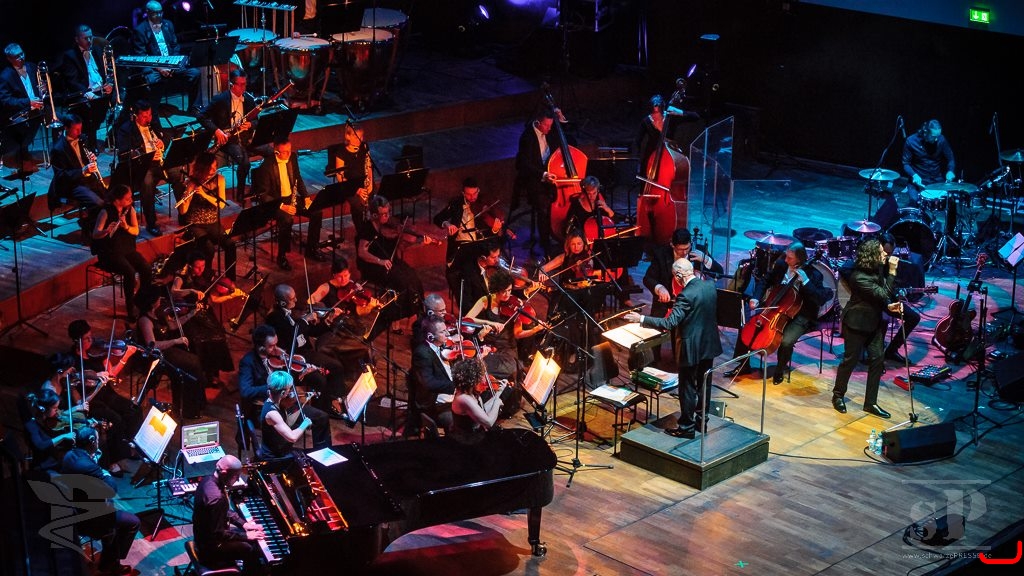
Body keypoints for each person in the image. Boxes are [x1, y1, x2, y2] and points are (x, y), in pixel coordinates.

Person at [625, 258, 723, 439]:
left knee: (687, 388)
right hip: (708, 344)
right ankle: (702, 422)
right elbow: (698, 310)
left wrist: (641, 319)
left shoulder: (685, 295)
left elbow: (670, 322)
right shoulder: (709, 286)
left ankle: (686, 427)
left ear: (678, 276)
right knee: (704, 385)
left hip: (690, 347)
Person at [723, 242, 833, 384]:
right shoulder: (781, 265)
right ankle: (743, 366)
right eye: (786, 256)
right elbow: (765, 280)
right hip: (774, 307)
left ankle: (779, 370)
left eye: (790, 258)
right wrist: (756, 297)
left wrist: (806, 282)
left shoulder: (813, 275)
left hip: (800, 315)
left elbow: (820, 298)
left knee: (786, 341)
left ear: (800, 259)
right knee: (747, 327)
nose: (786, 260)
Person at [830, 238, 902, 418]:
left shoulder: (877, 268)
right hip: (856, 323)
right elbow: (883, 292)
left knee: (877, 360)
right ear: (872, 255)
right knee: (850, 361)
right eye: (881, 252)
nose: (885, 254)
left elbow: (880, 295)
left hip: (873, 322)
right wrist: (892, 271)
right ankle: (838, 395)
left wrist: (888, 305)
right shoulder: (859, 277)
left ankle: (870, 403)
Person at [61, 426, 140, 576]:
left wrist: (94, 460)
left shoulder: (69, 456)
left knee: (111, 512)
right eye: (97, 439)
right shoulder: (86, 465)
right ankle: (110, 563)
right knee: (133, 522)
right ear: (92, 441)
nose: (99, 442)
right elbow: (111, 489)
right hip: (88, 518)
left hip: (74, 506)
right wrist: (106, 472)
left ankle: (110, 558)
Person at [264, 284, 348, 417]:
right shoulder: (274, 318)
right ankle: (321, 409)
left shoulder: (293, 312)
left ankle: (335, 401)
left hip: (307, 352)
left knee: (336, 366)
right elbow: (292, 335)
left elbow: (311, 331)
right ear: (283, 302)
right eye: (292, 299)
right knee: (320, 379)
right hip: (294, 358)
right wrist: (304, 320)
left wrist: (328, 321)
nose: (296, 300)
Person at [356, 195, 430, 332]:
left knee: (414, 279)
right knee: (402, 283)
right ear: (374, 215)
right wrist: (380, 261)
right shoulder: (367, 229)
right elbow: (362, 252)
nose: (387, 216)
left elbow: (401, 247)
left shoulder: (390, 227)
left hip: (391, 262)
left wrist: (419, 242)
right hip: (373, 266)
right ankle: (396, 318)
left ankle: (417, 314)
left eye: (388, 212)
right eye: (383, 214)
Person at [171, 252, 244, 386]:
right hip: (189, 312)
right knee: (200, 339)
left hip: (204, 311)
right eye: (197, 267)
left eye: (203, 266)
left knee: (219, 336)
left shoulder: (207, 274)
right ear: (190, 266)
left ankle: (213, 372)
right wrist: (191, 291)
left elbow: (213, 299)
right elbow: (174, 291)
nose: (201, 270)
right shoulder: (181, 276)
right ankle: (202, 372)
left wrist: (231, 294)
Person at [133, 289, 208, 418]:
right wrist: (175, 341)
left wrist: (191, 313)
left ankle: (196, 404)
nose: (161, 300)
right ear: (152, 303)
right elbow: (153, 345)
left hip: (167, 352)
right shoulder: (145, 320)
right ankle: (186, 409)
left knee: (195, 360)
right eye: (158, 298)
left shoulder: (159, 313)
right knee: (187, 368)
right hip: (156, 357)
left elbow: (173, 325)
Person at [251, 138, 321, 269]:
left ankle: (312, 248)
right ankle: (282, 256)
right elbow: (264, 195)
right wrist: (283, 207)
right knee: (287, 219)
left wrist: (306, 197)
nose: (289, 154)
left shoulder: (292, 157)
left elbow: (298, 178)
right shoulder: (266, 167)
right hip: (276, 203)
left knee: (316, 212)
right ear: (276, 152)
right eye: (285, 152)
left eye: (289, 150)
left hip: (291, 198)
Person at [192, 455, 265, 575]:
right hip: (209, 550)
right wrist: (246, 536)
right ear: (225, 473)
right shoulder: (216, 498)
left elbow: (224, 510)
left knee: (246, 536)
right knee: (250, 548)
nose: (237, 480)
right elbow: (218, 534)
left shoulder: (208, 480)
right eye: (236, 476)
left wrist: (244, 524)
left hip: (202, 538)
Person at [307, 257, 376, 379]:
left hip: (351, 323)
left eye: (346, 275)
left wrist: (370, 305)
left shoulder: (353, 286)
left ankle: (364, 370)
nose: (344, 279)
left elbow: (359, 311)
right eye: (340, 276)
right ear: (334, 275)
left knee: (366, 338)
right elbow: (310, 302)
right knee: (360, 345)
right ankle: (353, 370)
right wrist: (328, 312)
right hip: (335, 327)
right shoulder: (326, 287)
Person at [91, 185, 152, 320]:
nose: (131, 200)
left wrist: (126, 226)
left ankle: (142, 300)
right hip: (110, 253)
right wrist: (106, 231)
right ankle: (130, 306)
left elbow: (136, 231)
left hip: (128, 250)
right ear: (118, 200)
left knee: (146, 268)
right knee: (129, 272)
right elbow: (95, 234)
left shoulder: (130, 210)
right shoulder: (105, 212)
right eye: (128, 198)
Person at [435, 177, 505, 289]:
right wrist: (447, 224)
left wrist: (495, 230)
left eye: (475, 193)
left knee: (493, 263)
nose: (472, 197)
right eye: (468, 194)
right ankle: (471, 290)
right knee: (468, 270)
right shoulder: (456, 204)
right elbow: (438, 218)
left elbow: (490, 237)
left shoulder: (483, 205)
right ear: (463, 193)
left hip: (479, 246)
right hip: (460, 246)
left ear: (478, 190)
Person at [132, 1, 201, 114]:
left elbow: (175, 46)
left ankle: (193, 108)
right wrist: (160, 68)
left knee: (195, 73)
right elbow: (141, 56)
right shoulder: (140, 30)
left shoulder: (168, 24)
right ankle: (152, 113)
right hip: (154, 68)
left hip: (171, 64)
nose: (159, 15)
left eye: (160, 12)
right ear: (148, 13)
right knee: (152, 80)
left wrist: (173, 64)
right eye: (155, 13)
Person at [176, 152, 237, 279]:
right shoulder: (192, 182)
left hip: (213, 222)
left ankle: (230, 279)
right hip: (196, 225)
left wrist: (204, 195)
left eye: (215, 167)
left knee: (230, 245)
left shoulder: (219, 179)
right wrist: (185, 197)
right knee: (208, 249)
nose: (214, 170)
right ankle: (205, 278)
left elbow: (221, 204)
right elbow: (183, 212)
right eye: (211, 168)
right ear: (203, 168)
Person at [198, 68, 256, 201]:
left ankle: (257, 188)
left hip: (247, 137)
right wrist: (216, 131)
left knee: (270, 152)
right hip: (228, 140)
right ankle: (240, 194)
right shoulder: (220, 99)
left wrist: (250, 124)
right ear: (231, 85)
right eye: (240, 85)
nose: (243, 88)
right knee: (244, 163)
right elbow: (201, 116)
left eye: (245, 84)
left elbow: (256, 120)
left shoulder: (248, 99)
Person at [114, 99, 167, 236]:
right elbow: (124, 153)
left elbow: (165, 137)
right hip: (143, 166)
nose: (148, 119)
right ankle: (151, 223)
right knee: (147, 183)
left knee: (178, 173)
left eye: (150, 114)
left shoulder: (153, 123)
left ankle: (184, 214)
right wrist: (147, 155)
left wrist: (162, 143)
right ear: (136, 116)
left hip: (159, 162)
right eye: (144, 116)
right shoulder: (126, 130)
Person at [59, 25, 114, 150]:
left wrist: (110, 84)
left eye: (90, 37)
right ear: (77, 39)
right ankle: (90, 144)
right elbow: (72, 81)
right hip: (84, 93)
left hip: (101, 90)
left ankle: (112, 138)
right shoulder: (70, 56)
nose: (89, 41)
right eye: (85, 38)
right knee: (90, 108)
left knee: (121, 99)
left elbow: (106, 71)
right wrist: (89, 93)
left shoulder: (97, 50)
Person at [259, 370, 331, 459]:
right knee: (308, 460)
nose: (290, 391)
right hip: (276, 456)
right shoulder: (272, 414)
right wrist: (305, 423)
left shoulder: (272, 397)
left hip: (282, 448)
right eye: (289, 389)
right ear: (282, 393)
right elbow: (292, 437)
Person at [514, 109, 558, 255]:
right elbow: (525, 165)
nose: (549, 128)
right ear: (538, 123)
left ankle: (561, 236)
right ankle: (546, 244)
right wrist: (543, 174)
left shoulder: (550, 132)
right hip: (534, 178)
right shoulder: (527, 137)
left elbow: (568, 139)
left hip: (550, 176)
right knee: (544, 207)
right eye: (547, 125)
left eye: (551, 125)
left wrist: (561, 120)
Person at [878, 233, 923, 365]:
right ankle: (875, 353)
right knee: (883, 318)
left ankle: (891, 350)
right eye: (885, 253)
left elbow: (895, 284)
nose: (887, 256)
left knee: (914, 317)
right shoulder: (871, 261)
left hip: (887, 301)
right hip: (873, 300)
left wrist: (900, 292)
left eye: (890, 253)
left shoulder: (893, 261)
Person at [409, 316, 457, 436]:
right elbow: (428, 383)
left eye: (446, 330)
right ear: (430, 336)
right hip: (435, 405)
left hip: (450, 398)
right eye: (442, 332)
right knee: (460, 422)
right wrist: (455, 386)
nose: (447, 334)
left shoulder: (442, 346)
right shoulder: (422, 353)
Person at [48, 113, 106, 210]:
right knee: (98, 203)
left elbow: (84, 159)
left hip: (88, 179)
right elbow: (61, 175)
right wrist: (82, 171)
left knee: (109, 199)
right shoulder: (58, 149)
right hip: (73, 185)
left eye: (80, 128)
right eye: (76, 129)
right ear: (66, 128)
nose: (80, 132)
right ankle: (92, 218)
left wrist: (91, 159)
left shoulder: (82, 139)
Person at [0, 43, 44, 170]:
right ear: (9, 59)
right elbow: (6, 101)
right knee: (24, 128)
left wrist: (43, 89)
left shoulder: (32, 67)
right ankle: (22, 154)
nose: (22, 57)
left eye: (22, 54)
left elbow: (39, 86)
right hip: (20, 112)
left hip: (38, 108)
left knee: (60, 120)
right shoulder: (5, 76)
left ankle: (59, 153)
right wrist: (28, 102)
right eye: (17, 56)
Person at [326, 122, 373, 229]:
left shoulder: (364, 146)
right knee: (358, 206)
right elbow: (340, 177)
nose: (359, 139)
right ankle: (361, 230)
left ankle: (372, 229)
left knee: (375, 204)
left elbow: (369, 166)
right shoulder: (341, 152)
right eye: (356, 137)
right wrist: (357, 190)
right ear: (348, 136)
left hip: (365, 182)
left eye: (361, 137)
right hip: (349, 185)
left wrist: (370, 184)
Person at [450, 357, 506, 443]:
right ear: (472, 379)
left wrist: (498, 393)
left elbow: (481, 411)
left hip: (475, 435)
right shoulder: (464, 398)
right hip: (468, 441)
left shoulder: (469, 392)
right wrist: (497, 402)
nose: (484, 378)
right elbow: (489, 422)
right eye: (482, 376)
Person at [20, 389, 77, 474]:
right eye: (54, 408)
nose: (57, 410)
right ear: (42, 408)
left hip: (56, 463)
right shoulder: (31, 425)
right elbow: (40, 446)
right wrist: (63, 437)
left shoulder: (47, 420)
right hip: (44, 468)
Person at [901, 118, 956, 207]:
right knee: (914, 204)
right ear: (925, 132)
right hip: (918, 180)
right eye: (934, 136)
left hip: (936, 180)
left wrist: (950, 170)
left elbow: (950, 158)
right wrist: (914, 175)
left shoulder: (941, 139)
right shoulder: (911, 141)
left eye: (938, 136)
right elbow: (905, 164)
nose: (936, 139)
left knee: (950, 203)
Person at [449, 242, 501, 316]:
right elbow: (466, 306)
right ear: (483, 257)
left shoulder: (494, 269)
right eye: (493, 257)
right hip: (480, 312)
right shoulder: (468, 274)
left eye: (498, 256)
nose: (497, 260)